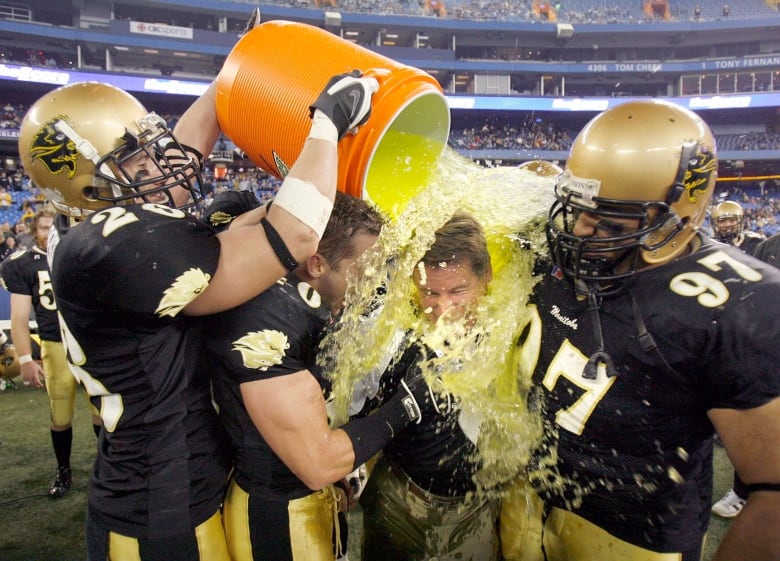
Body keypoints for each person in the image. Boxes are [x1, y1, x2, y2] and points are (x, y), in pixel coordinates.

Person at [18, 69, 380, 561]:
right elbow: (293, 237)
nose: (158, 161)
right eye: (136, 159)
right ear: (87, 180)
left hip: (182, 484)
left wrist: (234, 73)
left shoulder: (104, 224)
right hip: (159, 506)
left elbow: (181, 161)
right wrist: (326, 123)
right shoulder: (110, 244)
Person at [522, 99, 780, 561]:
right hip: (526, 502)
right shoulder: (550, 248)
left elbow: (773, 489)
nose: (580, 230)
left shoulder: (736, 304)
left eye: (610, 221)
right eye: (579, 208)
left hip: (636, 537)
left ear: (676, 219)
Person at [203, 191, 433, 561]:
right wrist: (407, 404)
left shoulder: (309, 294)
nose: (375, 281)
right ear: (317, 264)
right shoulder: (271, 315)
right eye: (366, 268)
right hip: (280, 505)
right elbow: (316, 463)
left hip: (307, 489)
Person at [358, 211, 503, 561]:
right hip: (397, 497)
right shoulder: (389, 334)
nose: (443, 308)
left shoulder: (510, 330)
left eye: (458, 290)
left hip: (476, 507)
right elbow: (351, 402)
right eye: (429, 292)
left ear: (486, 278)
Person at [0, 206, 101, 498]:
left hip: (89, 343)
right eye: (44, 228)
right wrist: (25, 359)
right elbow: (19, 317)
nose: (51, 233)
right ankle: (63, 470)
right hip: (55, 346)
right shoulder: (24, 263)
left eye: (53, 227)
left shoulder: (82, 253)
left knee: (101, 412)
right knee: (60, 413)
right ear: (34, 232)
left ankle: (106, 468)